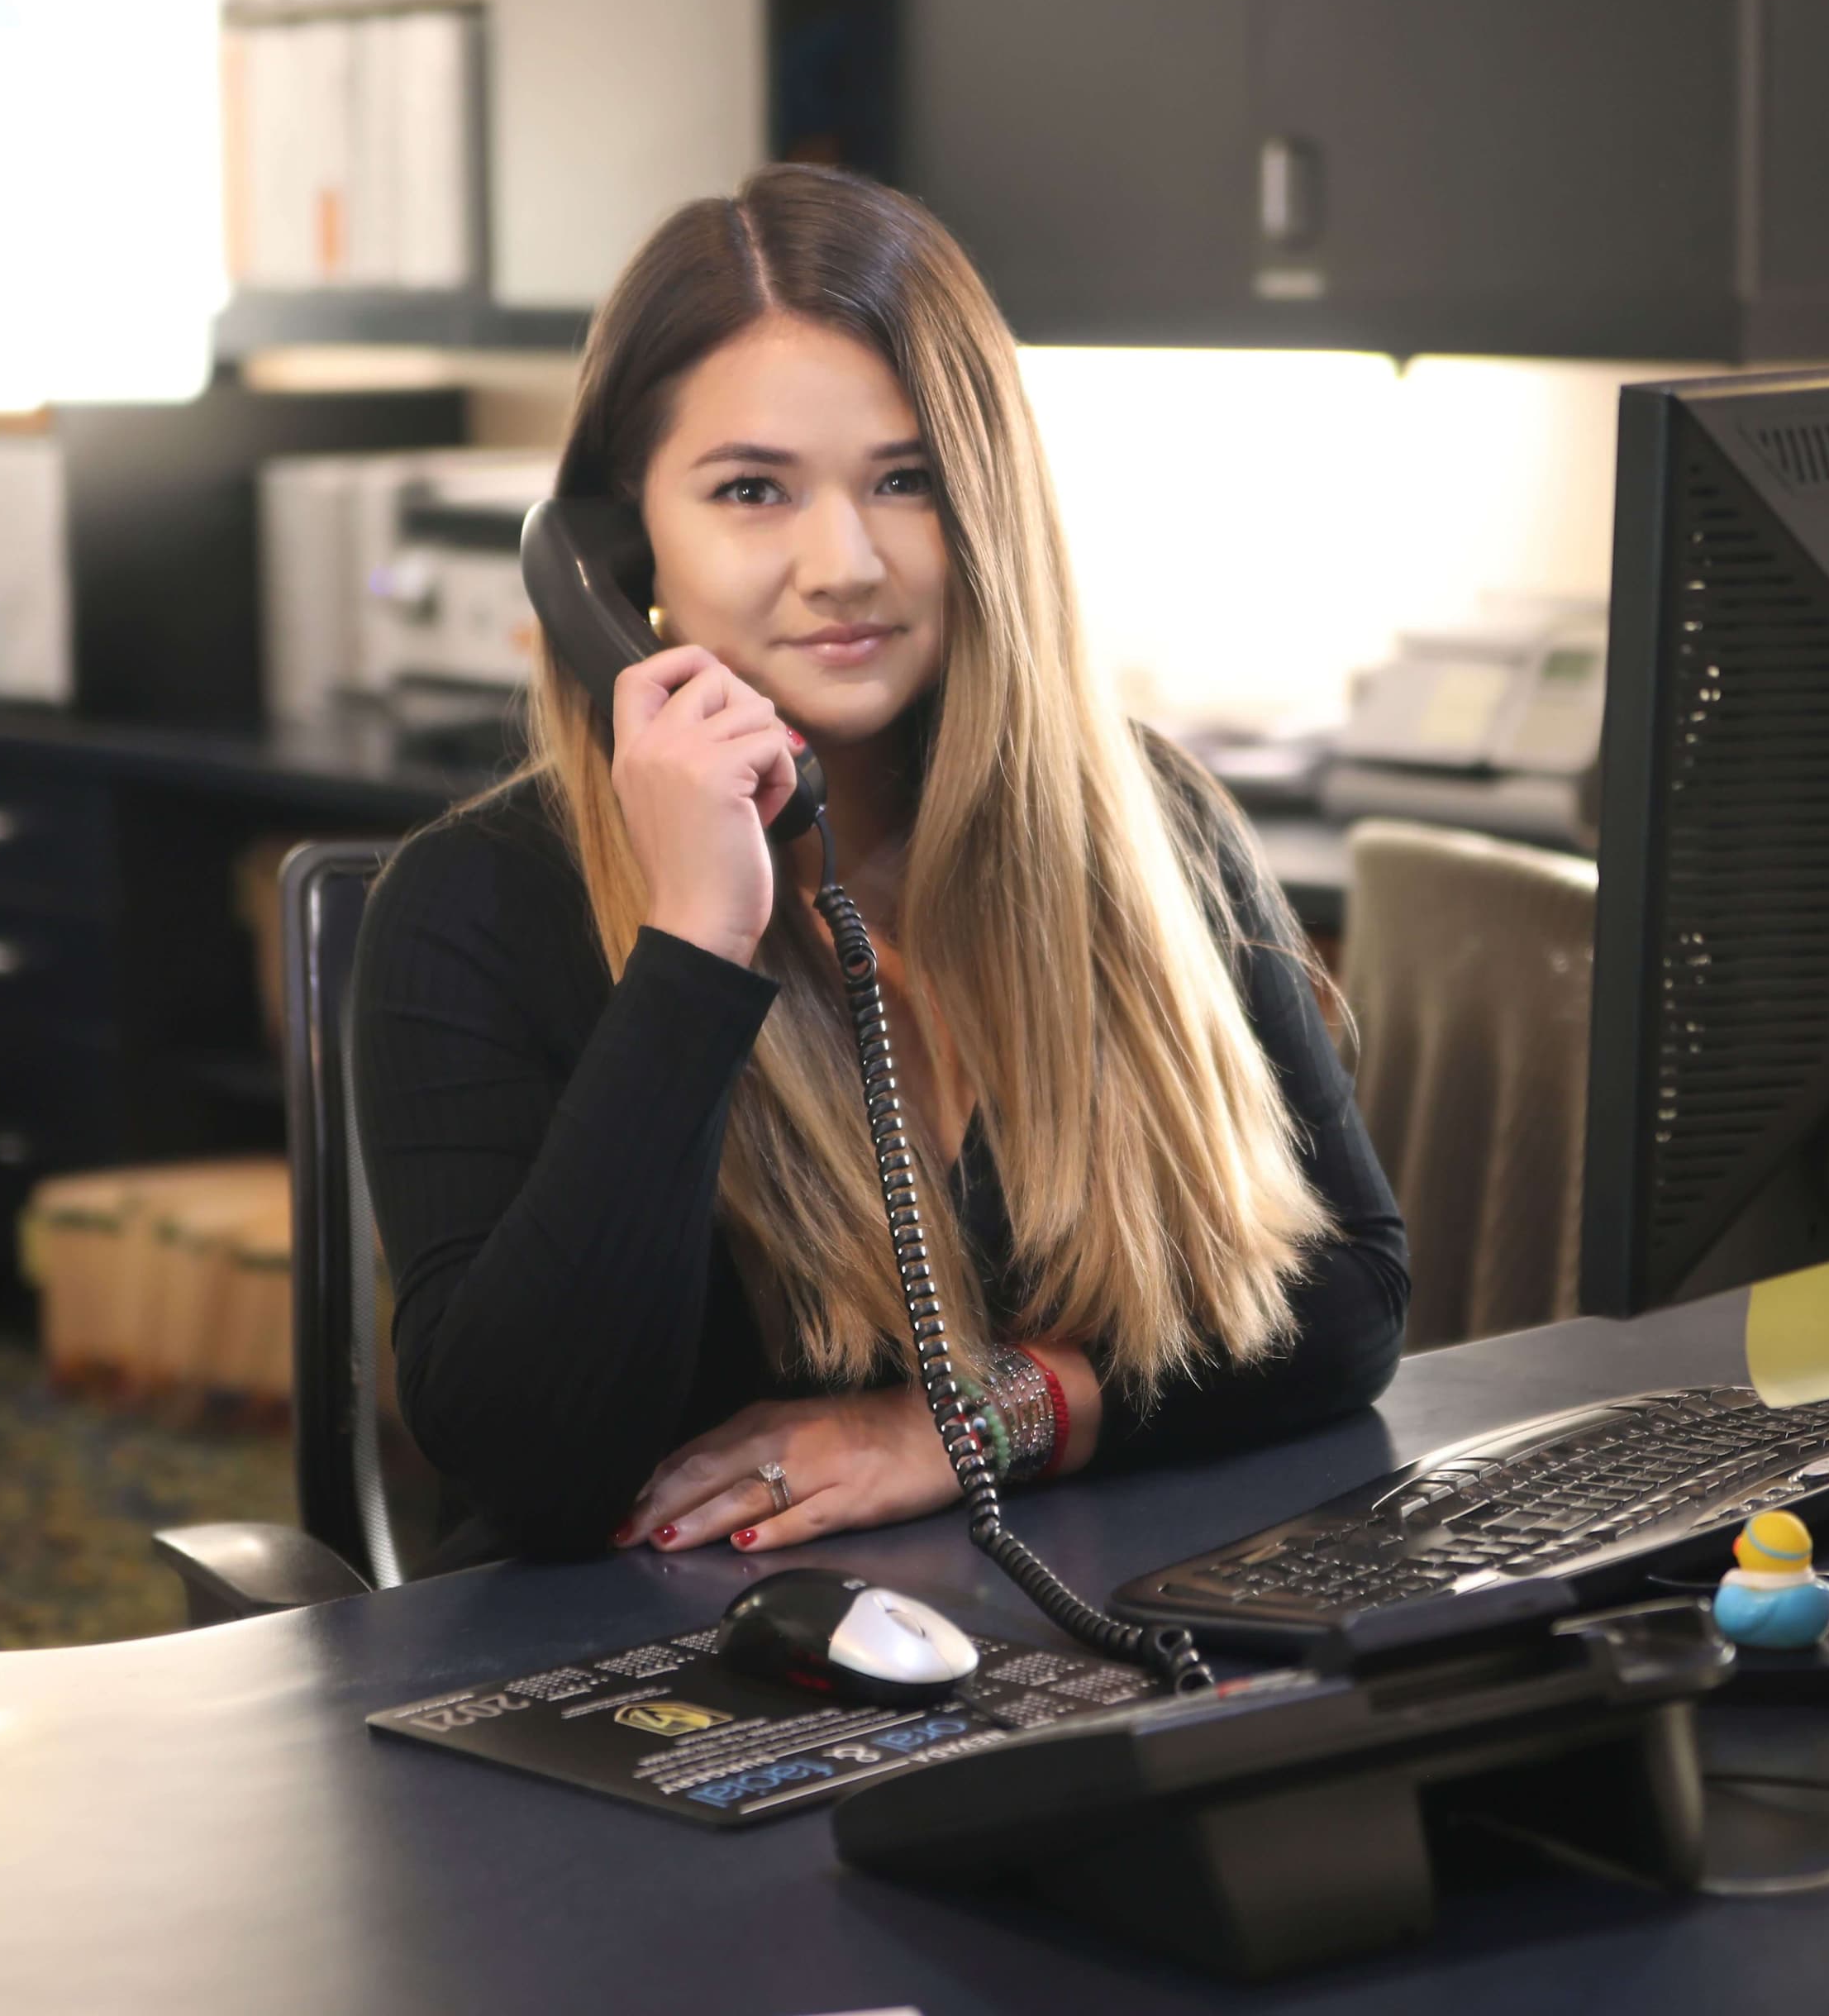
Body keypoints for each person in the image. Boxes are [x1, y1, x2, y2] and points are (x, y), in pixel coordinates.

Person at [354, 164, 1408, 1569]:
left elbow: (1343, 1302)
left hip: (1056, 1650)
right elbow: (532, 1457)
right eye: (752, 491)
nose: (843, 562)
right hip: (656, 1703)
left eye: (904, 482)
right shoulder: (471, 909)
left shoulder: (1150, 829)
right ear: (616, 549)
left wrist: (966, 1422)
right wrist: (691, 948)